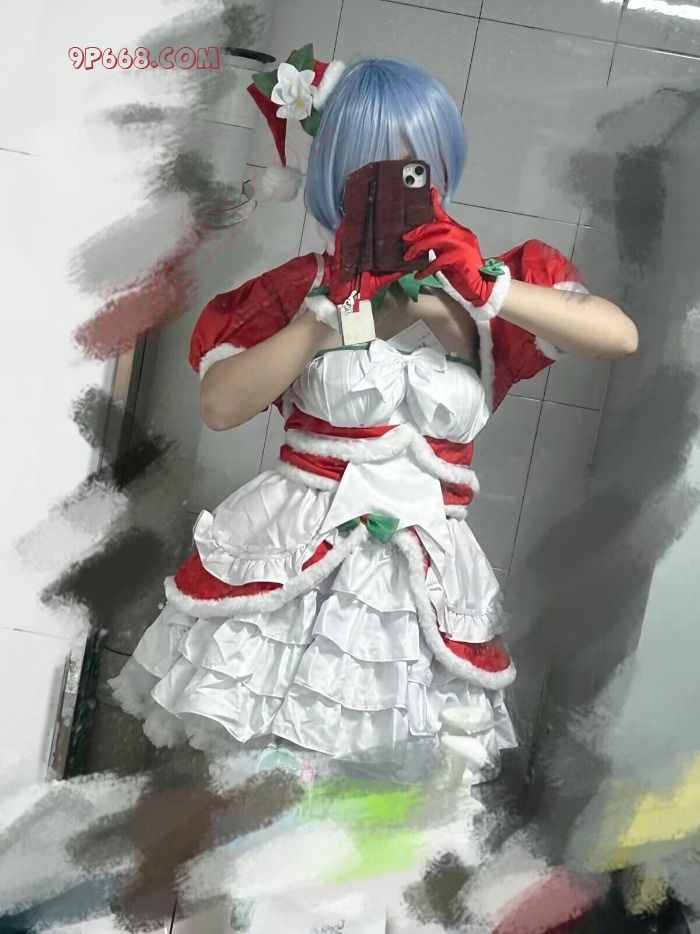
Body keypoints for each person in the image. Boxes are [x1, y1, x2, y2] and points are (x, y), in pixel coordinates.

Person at [109, 51, 638, 784]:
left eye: (418, 163)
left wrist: (483, 287)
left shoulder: (493, 290)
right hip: (291, 568)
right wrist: (323, 318)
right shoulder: (301, 288)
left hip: (417, 598)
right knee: (249, 792)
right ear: (335, 171)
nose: (401, 181)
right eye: (371, 164)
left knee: (381, 814)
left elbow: (617, 336)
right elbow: (221, 405)